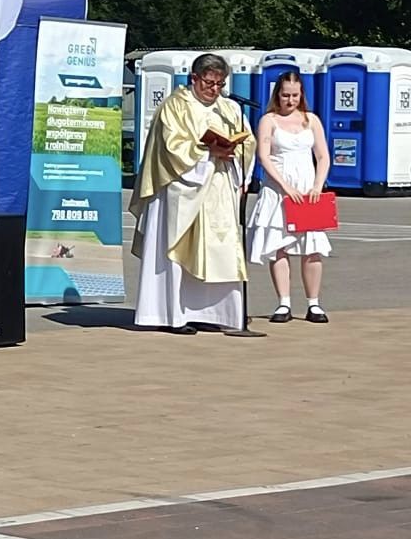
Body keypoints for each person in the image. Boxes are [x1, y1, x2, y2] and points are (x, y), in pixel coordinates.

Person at [132, 52, 255, 332]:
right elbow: (171, 147)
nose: (215, 90)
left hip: (219, 186)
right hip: (182, 190)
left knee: (219, 250)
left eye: (220, 84)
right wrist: (208, 153)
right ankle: (171, 315)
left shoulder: (230, 108)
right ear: (194, 78)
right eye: (209, 83)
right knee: (178, 248)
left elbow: (247, 141)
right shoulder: (175, 106)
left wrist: (235, 150)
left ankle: (211, 314)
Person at [247, 70, 333, 324]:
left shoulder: (311, 120)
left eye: (295, 95)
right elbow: (264, 156)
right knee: (279, 246)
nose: (290, 100)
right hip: (278, 191)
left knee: (312, 247)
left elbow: (323, 156)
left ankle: (314, 304)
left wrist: (317, 186)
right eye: (286, 95)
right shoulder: (269, 120)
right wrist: (285, 186)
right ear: (278, 94)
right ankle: (283, 303)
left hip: (307, 192)